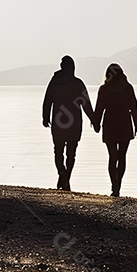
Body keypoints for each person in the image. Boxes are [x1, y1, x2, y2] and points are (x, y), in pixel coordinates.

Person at [42, 56, 96, 191]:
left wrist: (45, 116)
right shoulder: (78, 83)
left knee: (58, 150)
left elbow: (47, 99)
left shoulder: (55, 82)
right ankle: (66, 177)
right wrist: (94, 120)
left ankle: (62, 173)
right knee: (71, 153)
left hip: (58, 122)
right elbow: (86, 104)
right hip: (74, 123)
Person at [93, 63, 137, 197]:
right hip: (125, 123)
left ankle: (114, 186)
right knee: (122, 156)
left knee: (112, 157)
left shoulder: (104, 89)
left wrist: (96, 123)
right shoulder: (128, 88)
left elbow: (99, 108)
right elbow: (134, 108)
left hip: (109, 124)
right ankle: (118, 184)